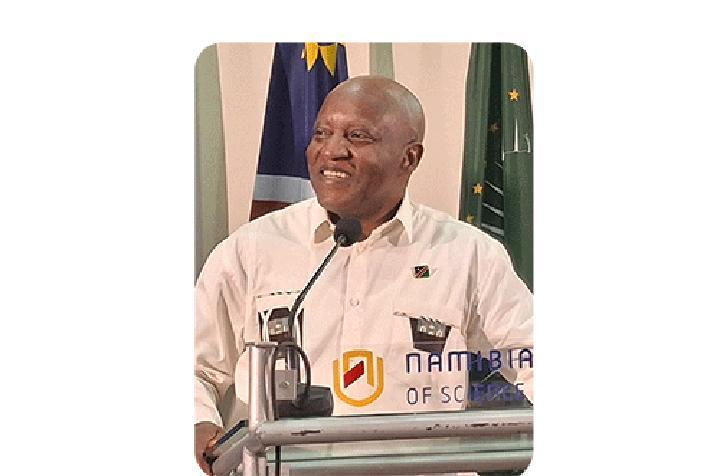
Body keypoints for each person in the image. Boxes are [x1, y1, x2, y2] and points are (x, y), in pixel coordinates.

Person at [194, 75, 533, 475]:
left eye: (357, 136)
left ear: (409, 158)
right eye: (322, 134)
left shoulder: (468, 254)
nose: (332, 151)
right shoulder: (251, 249)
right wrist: (198, 423)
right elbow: (195, 368)